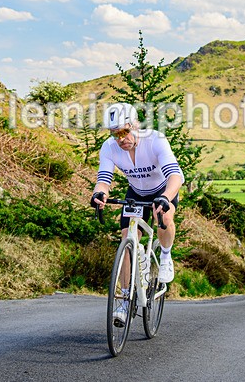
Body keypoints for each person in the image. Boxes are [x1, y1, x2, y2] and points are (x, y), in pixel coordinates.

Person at [91, 102, 184, 325]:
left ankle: (165, 256)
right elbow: (104, 179)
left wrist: (166, 197)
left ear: (135, 125)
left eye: (124, 131)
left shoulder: (156, 140)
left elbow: (175, 176)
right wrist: (99, 193)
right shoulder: (109, 147)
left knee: (165, 216)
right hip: (136, 192)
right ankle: (124, 300)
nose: (121, 139)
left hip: (163, 190)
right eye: (115, 134)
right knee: (126, 242)